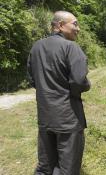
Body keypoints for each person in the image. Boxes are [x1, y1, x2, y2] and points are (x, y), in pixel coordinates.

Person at [27, 11, 91, 175]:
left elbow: (32, 79)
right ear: (61, 25)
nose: (78, 28)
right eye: (75, 24)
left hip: (45, 117)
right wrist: (85, 85)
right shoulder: (71, 47)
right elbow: (79, 82)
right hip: (68, 119)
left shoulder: (36, 47)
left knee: (45, 166)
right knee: (67, 168)